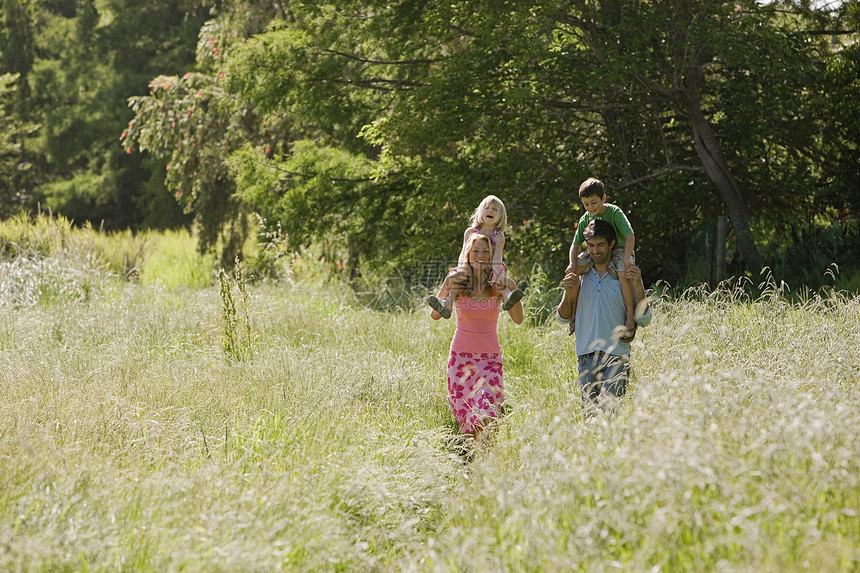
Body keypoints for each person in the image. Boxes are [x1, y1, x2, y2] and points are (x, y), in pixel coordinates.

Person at [430, 233, 524, 446]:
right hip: (460, 361)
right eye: (476, 251)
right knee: (470, 425)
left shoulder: (497, 282)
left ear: (492, 256)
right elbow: (435, 315)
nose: (481, 255)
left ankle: (487, 467)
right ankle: (475, 468)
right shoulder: (458, 280)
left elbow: (518, 319)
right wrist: (446, 285)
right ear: (468, 254)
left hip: (490, 360)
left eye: (485, 251)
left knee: (488, 416)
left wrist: (512, 285)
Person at [558, 219, 651, 414]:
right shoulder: (580, 273)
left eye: (600, 245)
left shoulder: (625, 273)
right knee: (590, 417)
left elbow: (644, 319)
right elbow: (563, 317)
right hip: (585, 356)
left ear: (611, 244)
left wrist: (639, 287)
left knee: (610, 417)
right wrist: (567, 292)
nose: (595, 250)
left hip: (617, 356)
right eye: (590, 245)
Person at [427, 195, 523, 319]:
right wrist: (462, 268)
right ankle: (447, 303)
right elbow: (463, 253)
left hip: (492, 266)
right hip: (469, 266)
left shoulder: (499, 236)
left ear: (501, 215)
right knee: (457, 282)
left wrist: (497, 273)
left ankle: (508, 297)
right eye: (487, 208)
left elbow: (497, 258)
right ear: (480, 211)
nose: (490, 211)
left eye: (495, 209)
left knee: (499, 283)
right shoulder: (470, 232)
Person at [567, 178, 637, 341]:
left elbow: (630, 236)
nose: (590, 208)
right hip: (596, 250)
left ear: (603, 198)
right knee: (573, 272)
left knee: (622, 272)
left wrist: (627, 257)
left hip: (618, 249)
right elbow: (575, 244)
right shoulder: (585, 218)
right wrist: (572, 264)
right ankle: (574, 314)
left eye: (594, 203)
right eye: (586, 204)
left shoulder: (614, 212)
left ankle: (629, 316)